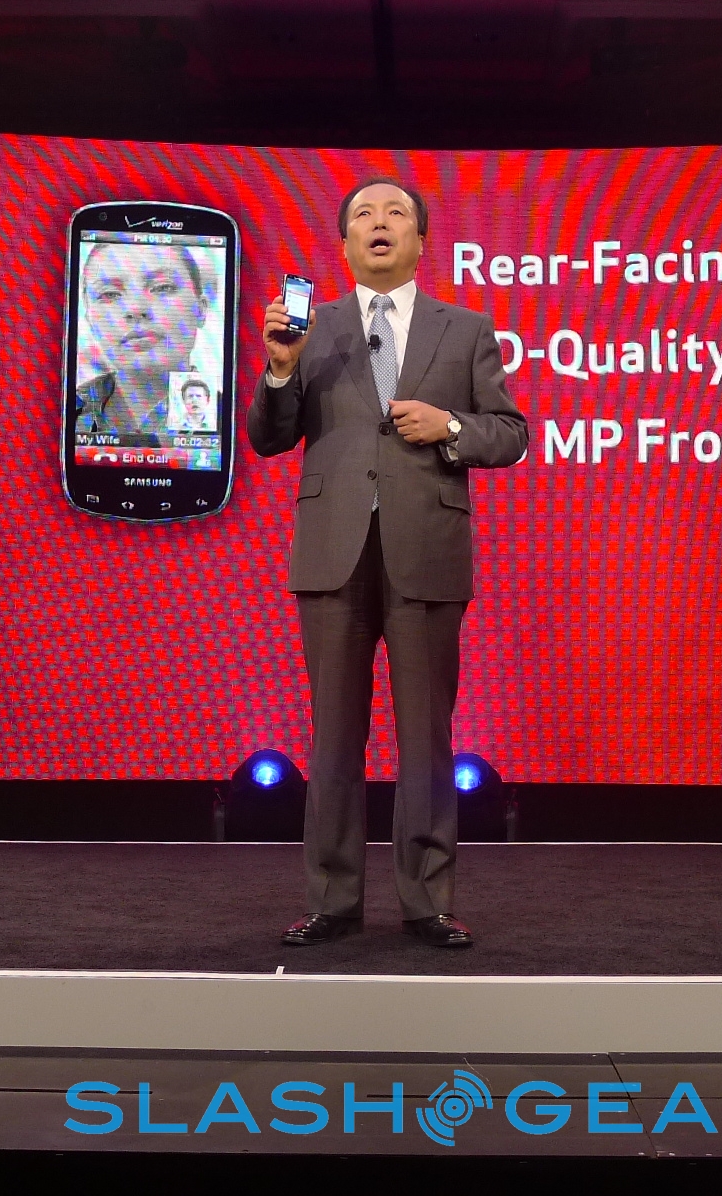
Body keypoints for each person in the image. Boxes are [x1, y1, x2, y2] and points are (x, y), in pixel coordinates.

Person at [249, 177, 527, 949]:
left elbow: (510, 433)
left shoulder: (465, 329)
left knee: (426, 739)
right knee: (333, 739)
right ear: (344, 244)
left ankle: (426, 902)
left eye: (396, 213)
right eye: (364, 215)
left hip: (426, 549)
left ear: (420, 241)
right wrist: (280, 369)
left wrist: (449, 426)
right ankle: (332, 901)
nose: (380, 223)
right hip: (333, 553)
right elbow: (269, 438)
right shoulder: (311, 329)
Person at [75, 243, 211, 445]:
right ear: (90, 320)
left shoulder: (238, 417)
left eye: (162, 287)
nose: (136, 309)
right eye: (110, 294)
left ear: (200, 310)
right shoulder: (61, 412)